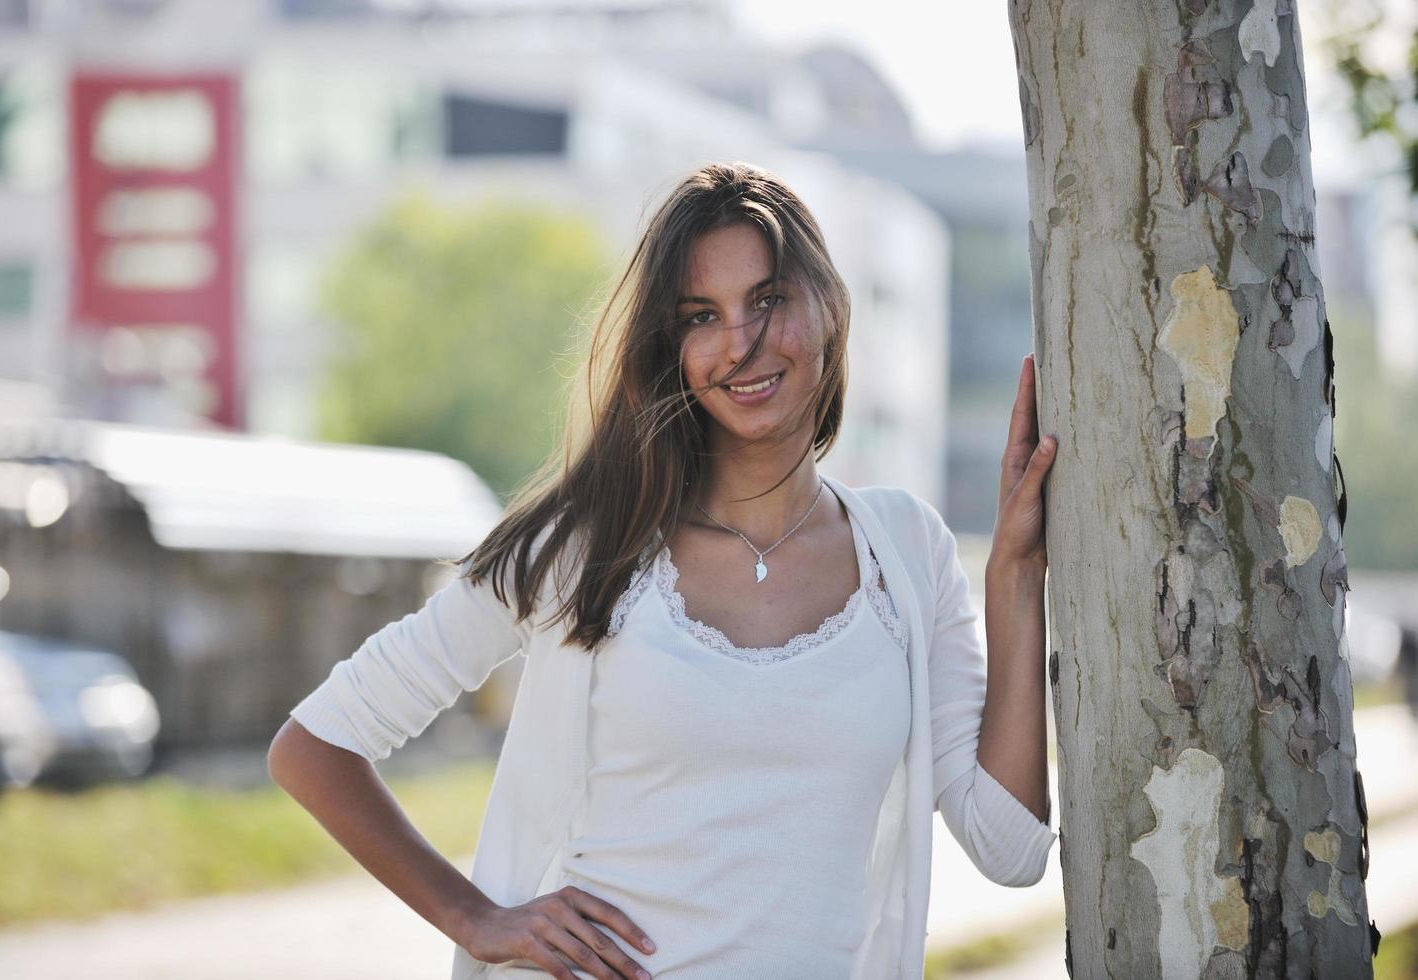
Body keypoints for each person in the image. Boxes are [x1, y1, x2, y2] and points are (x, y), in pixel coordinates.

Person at [268, 161, 1060, 980]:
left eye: (768, 299)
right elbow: (315, 745)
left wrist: (1015, 574)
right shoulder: (587, 545)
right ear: (671, 347)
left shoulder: (907, 551)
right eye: (700, 316)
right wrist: (475, 918)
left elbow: (1008, 848)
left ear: (829, 304)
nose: (740, 343)